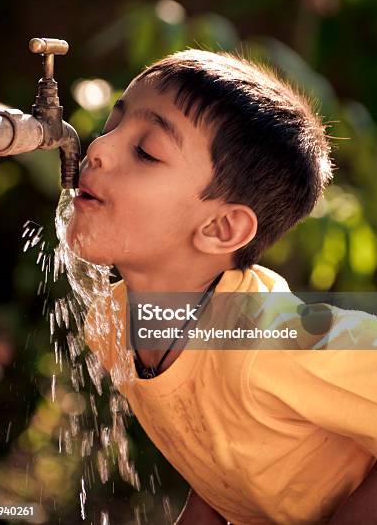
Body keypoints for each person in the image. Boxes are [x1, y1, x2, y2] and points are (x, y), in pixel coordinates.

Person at [66, 49, 377, 524]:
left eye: (146, 150)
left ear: (221, 228)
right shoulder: (113, 325)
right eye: (111, 125)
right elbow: (220, 441)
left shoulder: (268, 342)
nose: (98, 148)